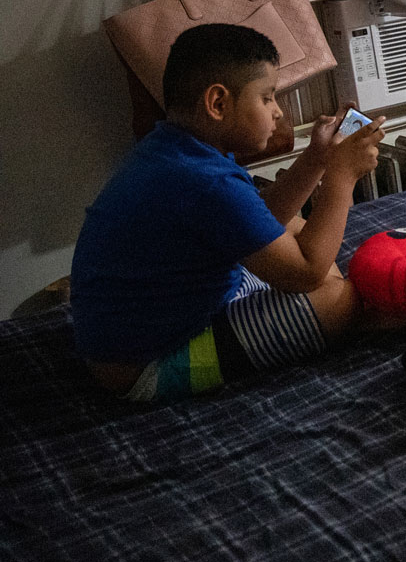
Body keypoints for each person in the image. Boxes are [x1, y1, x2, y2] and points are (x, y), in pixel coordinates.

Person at [71, 23, 388, 403]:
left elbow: (257, 217)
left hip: (125, 337)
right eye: (267, 98)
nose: (278, 112)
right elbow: (305, 274)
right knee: (341, 300)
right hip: (147, 365)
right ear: (218, 103)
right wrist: (342, 177)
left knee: (296, 227)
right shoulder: (206, 181)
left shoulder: (176, 149)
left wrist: (318, 158)